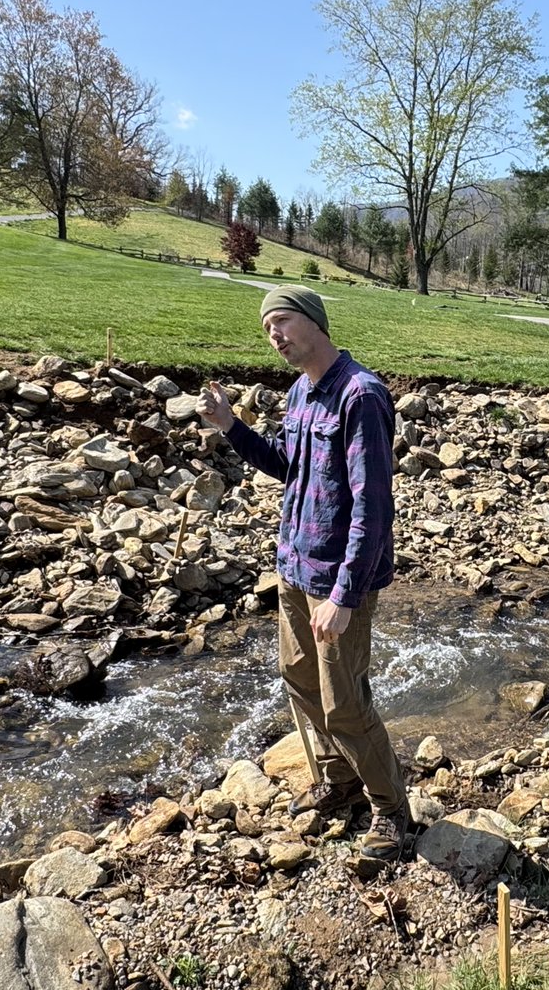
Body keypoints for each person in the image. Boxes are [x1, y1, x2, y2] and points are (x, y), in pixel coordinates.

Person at [195, 284, 409, 859]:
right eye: (267, 328)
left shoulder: (361, 396)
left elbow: (372, 507)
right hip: (294, 567)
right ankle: (342, 780)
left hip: (338, 579)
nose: (274, 335)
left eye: (282, 322)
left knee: (345, 702)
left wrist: (344, 595)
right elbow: (287, 466)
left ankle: (391, 809)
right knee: (298, 678)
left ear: (315, 321)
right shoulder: (300, 392)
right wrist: (230, 425)